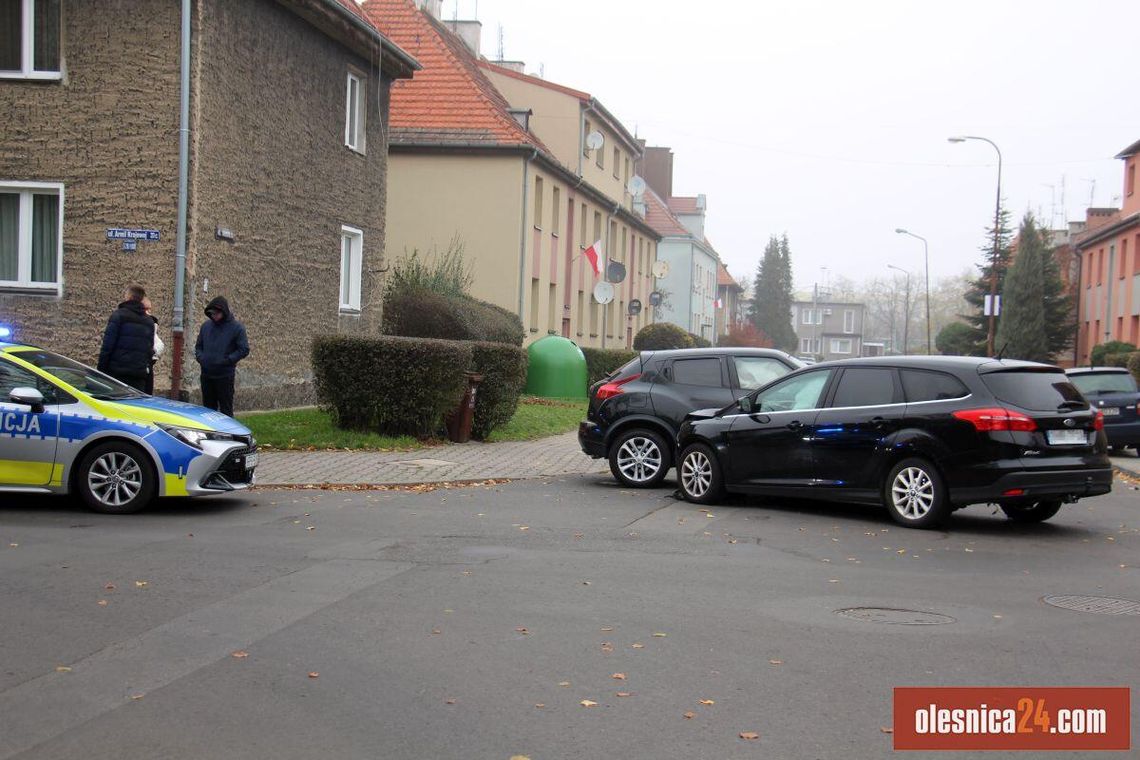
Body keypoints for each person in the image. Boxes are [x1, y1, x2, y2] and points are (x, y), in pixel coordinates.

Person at [194, 296, 249, 416]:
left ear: (224, 312)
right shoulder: (206, 327)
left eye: (217, 313)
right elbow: (199, 346)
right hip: (207, 374)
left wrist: (228, 360)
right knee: (208, 410)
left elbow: (244, 349)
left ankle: (229, 434)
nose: (214, 316)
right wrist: (201, 358)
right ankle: (209, 434)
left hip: (225, 376)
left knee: (226, 410)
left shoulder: (237, 328)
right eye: (211, 314)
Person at [97, 283, 155, 392]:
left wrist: (101, 371)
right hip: (138, 376)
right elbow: (149, 350)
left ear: (128, 297)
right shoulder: (149, 322)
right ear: (141, 299)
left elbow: (107, 346)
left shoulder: (118, 316)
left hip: (116, 375)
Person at [141, 297, 164, 395]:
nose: (149, 312)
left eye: (150, 309)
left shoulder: (151, 323)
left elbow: (159, 344)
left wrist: (153, 351)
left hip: (147, 366)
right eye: (147, 309)